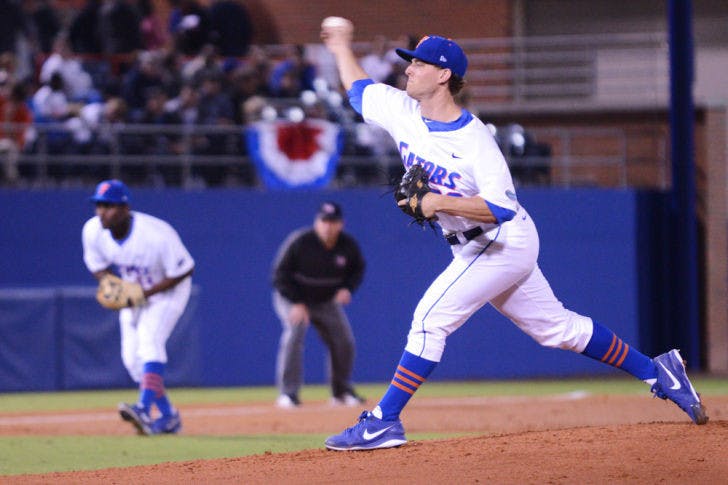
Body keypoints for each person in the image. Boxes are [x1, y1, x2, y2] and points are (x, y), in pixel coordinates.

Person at [320, 20, 708, 451]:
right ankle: (659, 372)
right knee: (556, 328)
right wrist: (340, 46)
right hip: (477, 244)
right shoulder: (402, 111)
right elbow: (358, 90)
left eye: (419, 64)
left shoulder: (475, 140)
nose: (408, 70)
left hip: (498, 241)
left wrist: (438, 203)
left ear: (444, 75)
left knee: (430, 322)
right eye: (409, 64)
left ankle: (383, 421)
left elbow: (501, 207)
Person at [81, 179, 195, 435]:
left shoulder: (156, 234)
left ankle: (143, 408)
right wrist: (113, 287)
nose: (102, 211)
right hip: (134, 292)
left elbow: (186, 268)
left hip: (167, 292)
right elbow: (96, 265)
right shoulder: (92, 231)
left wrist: (145, 293)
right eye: (99, 205)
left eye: (108, 206)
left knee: (150, 340)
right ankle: (168, 415)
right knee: (133, 361)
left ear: (124, 208)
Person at [272, 201, 366, 408]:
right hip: (293, 298)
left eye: (333, 222)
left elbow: (358, 269)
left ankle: (340, 392)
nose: (328, 226)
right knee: (295, 332)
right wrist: (296, 302)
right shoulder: (300, 242)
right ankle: (288, 394)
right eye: (324, 221)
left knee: (344, 341)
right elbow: (279, 275)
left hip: (324, 301)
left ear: (341, 224)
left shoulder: (347, 246)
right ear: (317, 222)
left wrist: (347, 288)